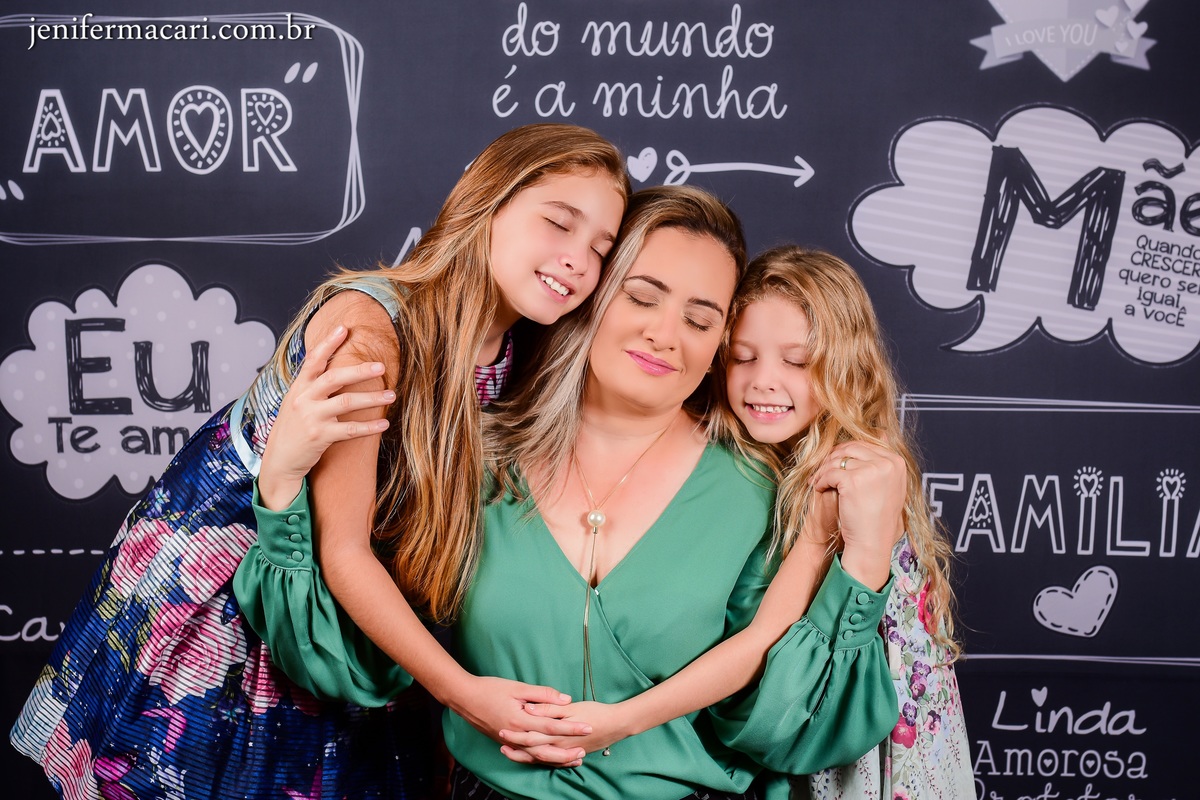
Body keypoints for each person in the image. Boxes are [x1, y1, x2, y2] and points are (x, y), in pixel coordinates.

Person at [9, 123, 630, 800]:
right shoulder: (371, 329)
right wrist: (462, 691)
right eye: (558, 223)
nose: (578, 259)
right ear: (488, 200)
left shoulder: (523, 358)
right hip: (238, 604)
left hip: (358, 624)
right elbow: (343, 551)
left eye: (601, 249)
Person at [247, 186, 904, 799]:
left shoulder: (761, 493)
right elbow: (347, 654)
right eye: (641, 297)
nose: (665, 335)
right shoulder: (471, 458)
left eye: (700, 320)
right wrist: (280, 496)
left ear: (718, 347)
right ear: (592, 294)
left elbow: (782, 721)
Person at [714, 246, 975, 799]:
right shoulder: (746, 469)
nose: (763, 381)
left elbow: (807, 678)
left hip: (855, 746)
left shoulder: (856, 478)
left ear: (846, 368)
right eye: (742, 357)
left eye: (797, 362)